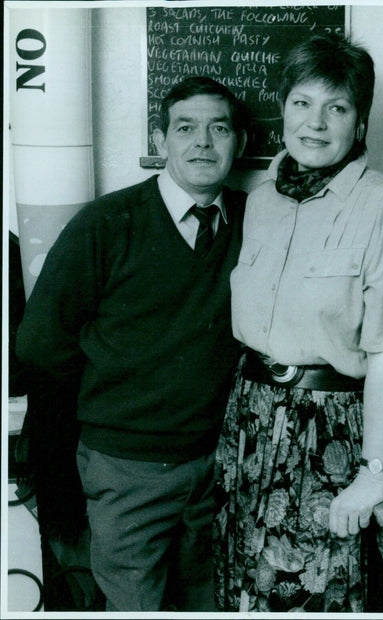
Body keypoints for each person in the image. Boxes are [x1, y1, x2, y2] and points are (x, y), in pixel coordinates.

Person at [213, 33, 383, 613]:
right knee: (244, 587)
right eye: (302, 103)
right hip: (250, 420)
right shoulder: (261, 201)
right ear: (282, 109)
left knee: (312, 593)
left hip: (328, 434)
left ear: (359, 123)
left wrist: (373, 473)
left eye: (337, 107)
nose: (316, 122)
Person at [15, 76, 249, 611]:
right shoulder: (106, 223)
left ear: (240, 142)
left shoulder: (256, 222)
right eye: (185, 128)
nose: (203, 143)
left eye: (219, 129)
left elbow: (334, 295)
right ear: (159, 139)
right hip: (127, 467)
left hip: (219, 464)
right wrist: (120, 397)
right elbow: (38, 344)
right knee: (133, 606)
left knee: (208, 603)